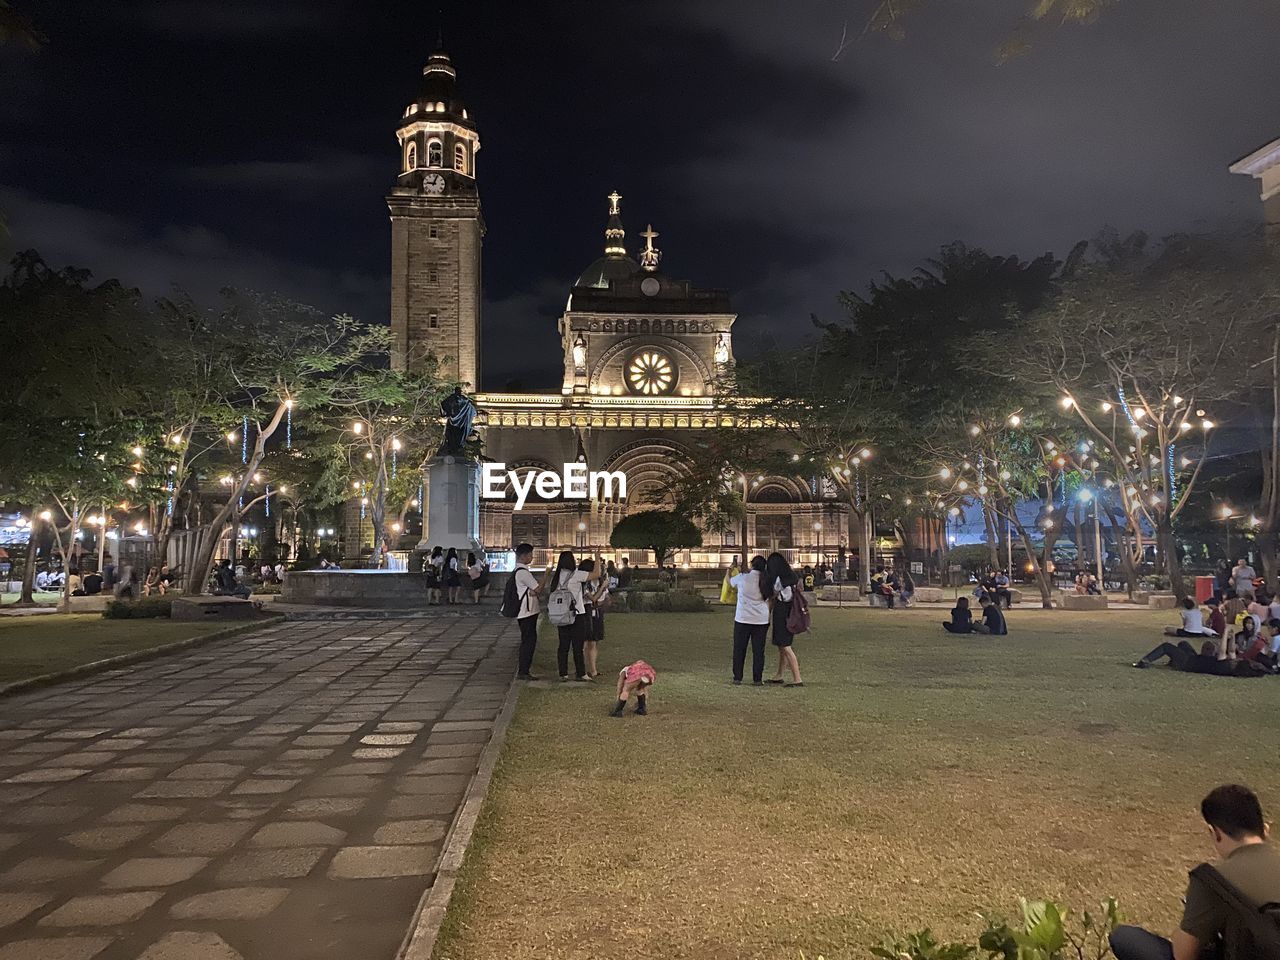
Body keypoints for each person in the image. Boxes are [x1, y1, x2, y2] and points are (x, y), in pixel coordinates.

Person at [1110, 784, 1280, 960]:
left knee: (1125, 937)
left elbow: (1183, 955)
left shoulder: (1213, 880)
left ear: (1214, 833)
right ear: (1265, 830)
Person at [545, 550, 602, 682]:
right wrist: (597, 558)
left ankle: (563, 673)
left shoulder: (557, 577)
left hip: (561, 614)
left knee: (563, 645)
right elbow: (596, 574)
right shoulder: (576, 575)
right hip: (577, 613)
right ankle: (581, 673)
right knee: (577, 645)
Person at [729, 556, 769, 686]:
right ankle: (757, 678)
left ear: (752, 565)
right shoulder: (766, 580)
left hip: (743, 618)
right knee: (758, 651)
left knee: (739, 649)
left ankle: (737, 677)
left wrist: (729, 570)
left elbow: (729, 582)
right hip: (761, 619)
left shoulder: (743, 577)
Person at [764, 552, 803, 686]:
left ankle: (797, 678)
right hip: (790, 613)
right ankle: (779, 674)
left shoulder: (780, 581)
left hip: (782, 613)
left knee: (785, 646)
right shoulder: (792, 577)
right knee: (782, 646)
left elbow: (774, 594)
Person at [1133, 639, 1265, 677]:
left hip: (1188, 664)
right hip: (1196, 660)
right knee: (1183, 644)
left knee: (1166, 646)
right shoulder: (1230, 665)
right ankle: (1172, 662)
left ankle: (1145, 661)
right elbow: (1231, 650)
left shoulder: (1224, 664)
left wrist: (1226, 631)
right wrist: (1232, 635)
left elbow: (1226, 649)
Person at [511, 543, 543, 680]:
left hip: (525, 611)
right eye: (530, 555)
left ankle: (524, 669)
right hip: (526, 612)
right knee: (528, 641)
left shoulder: (518, 571)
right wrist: (547, 574)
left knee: (528, 640)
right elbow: (538, 589)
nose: (532, 557)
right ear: (523, 556)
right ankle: (523, 671)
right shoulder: (523, 572)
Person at [580, 559, 606, 679]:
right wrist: (602, 588)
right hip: (586, 612)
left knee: (594, 642)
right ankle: (582, 669)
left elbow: (601, 600)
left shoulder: (598, 581)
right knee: (584, 642)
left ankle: (593, 669)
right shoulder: (584, 583)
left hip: (597, 613)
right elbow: (593, 598)